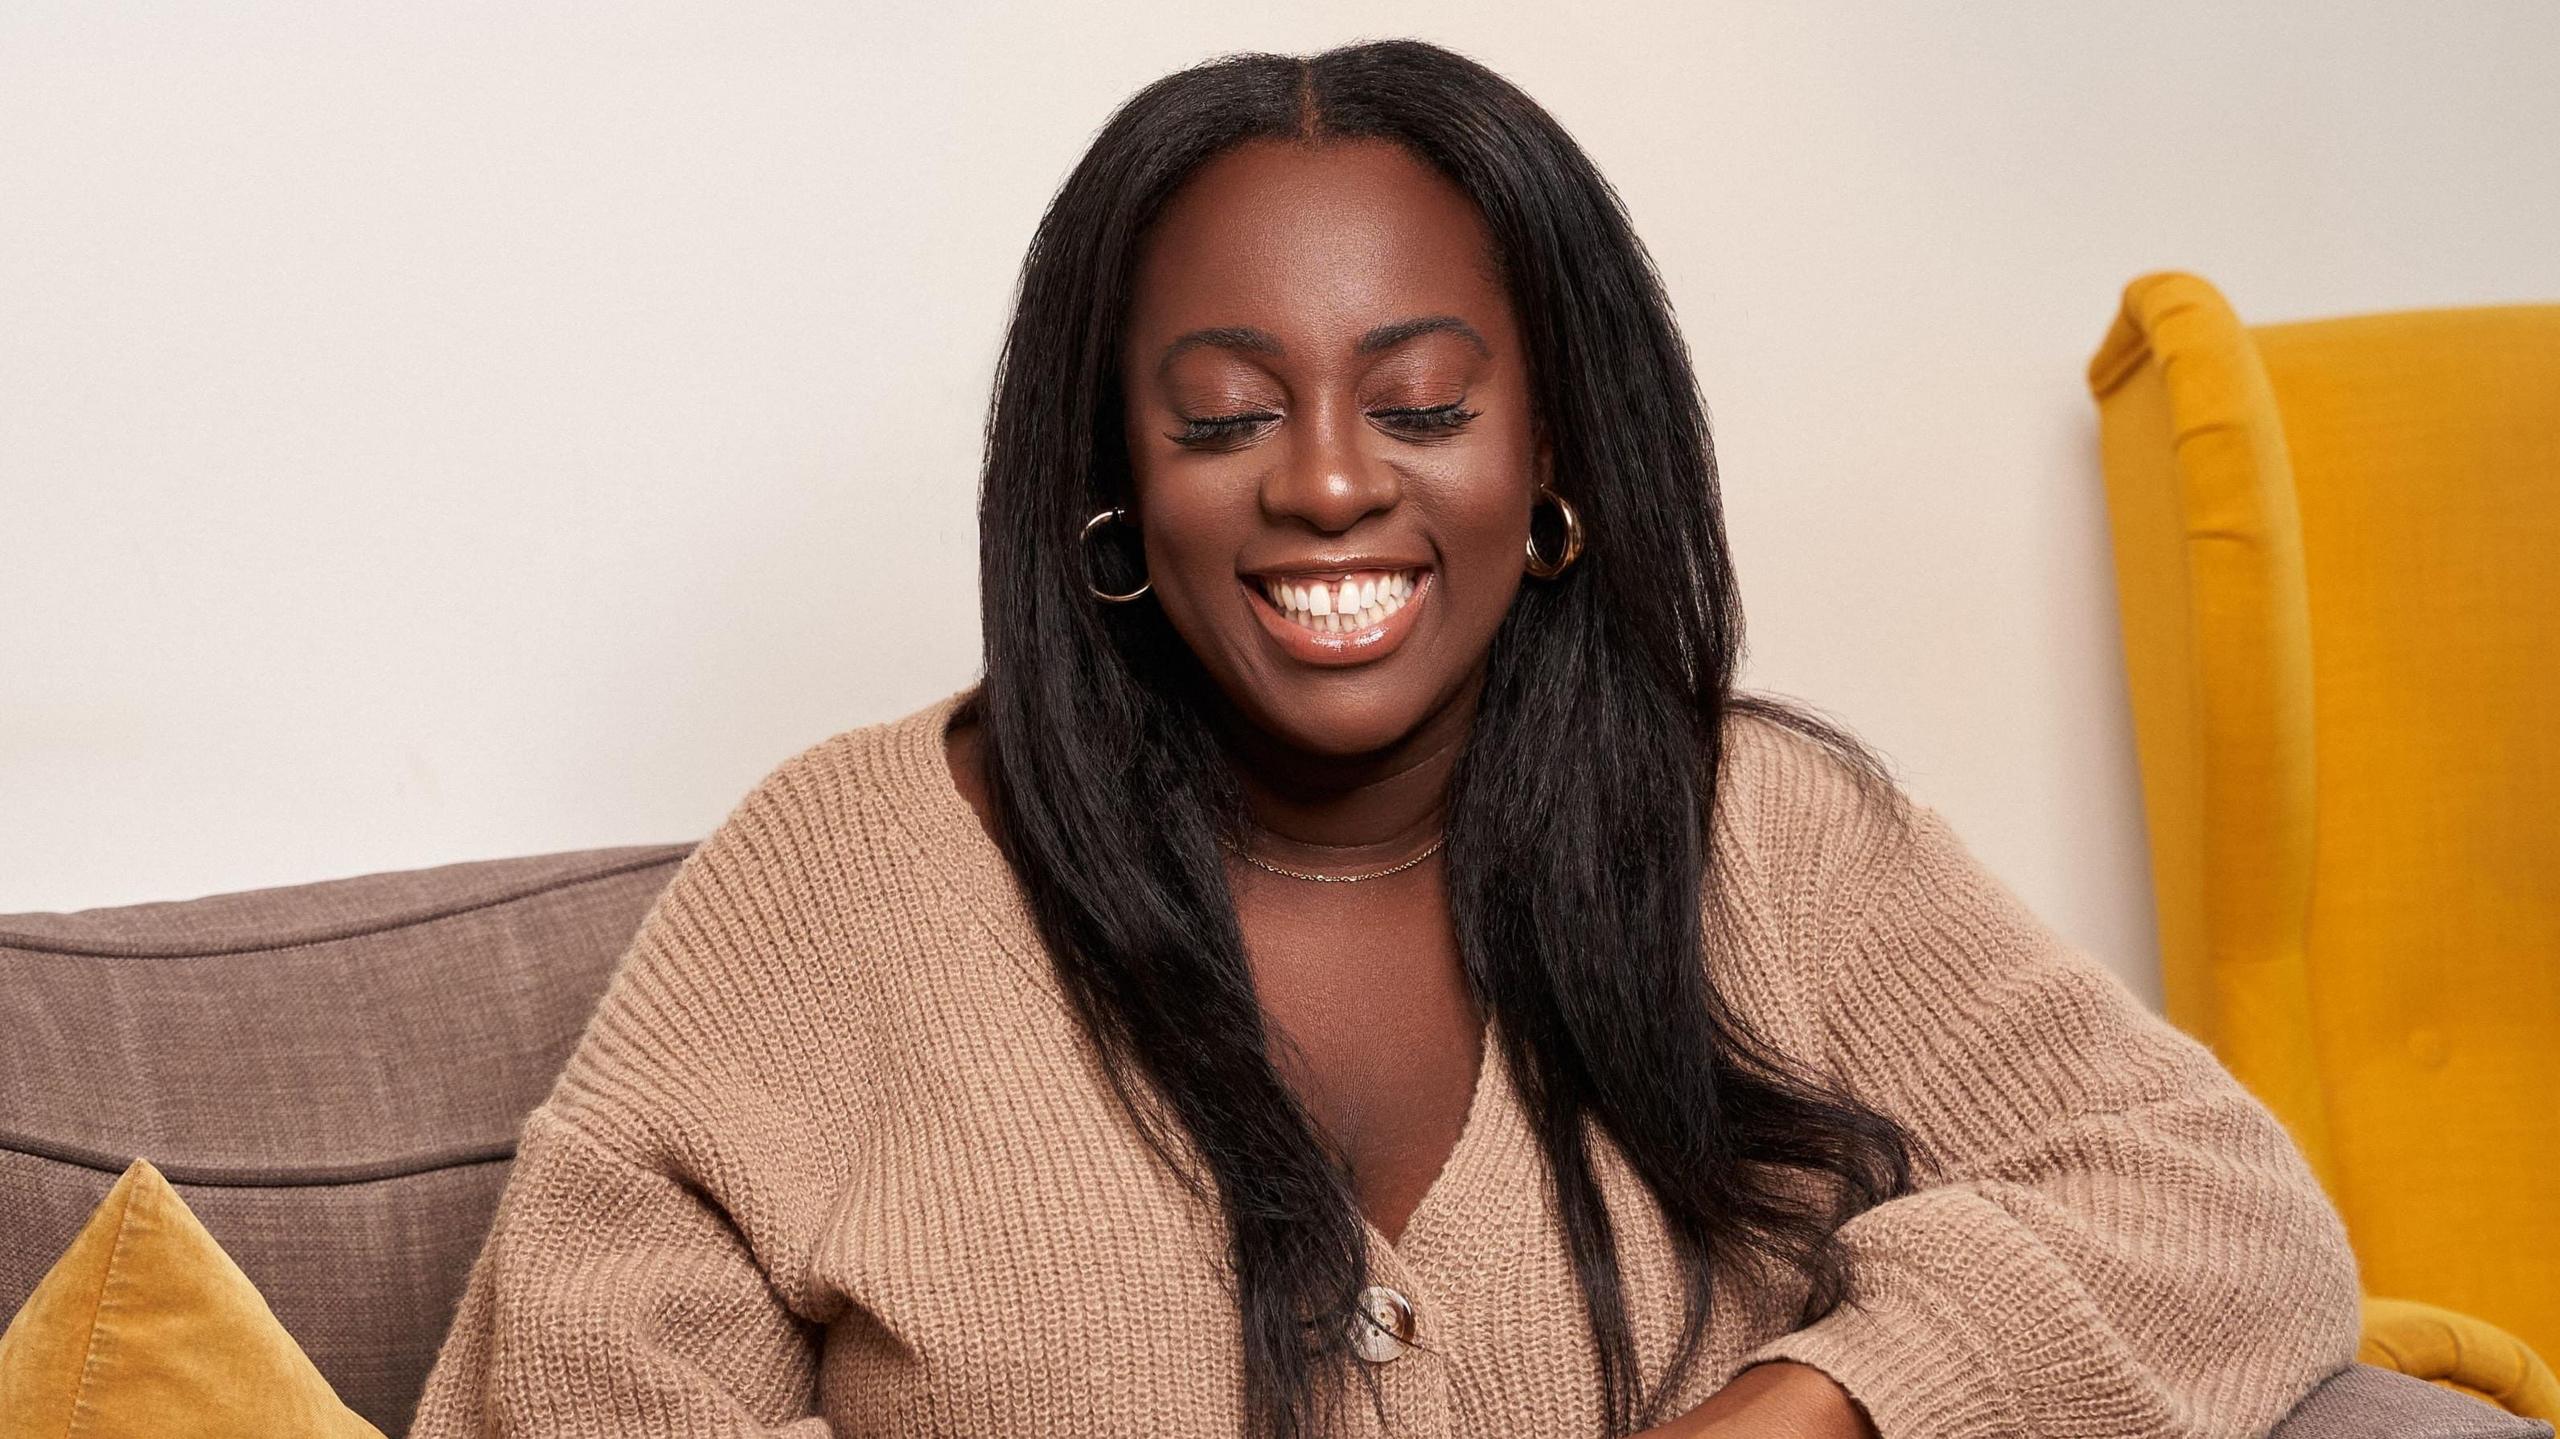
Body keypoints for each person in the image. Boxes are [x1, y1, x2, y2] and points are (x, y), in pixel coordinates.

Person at [408, 37, 2360, 1439]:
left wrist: (1823, 1402)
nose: (1327, 482)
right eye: (1225, 413)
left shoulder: (1758, 830)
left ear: (1548, 461)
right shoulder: (839, 878)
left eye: (1420, 404)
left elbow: (2216, 1211)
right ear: (1108, 479)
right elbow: (573, 1391)